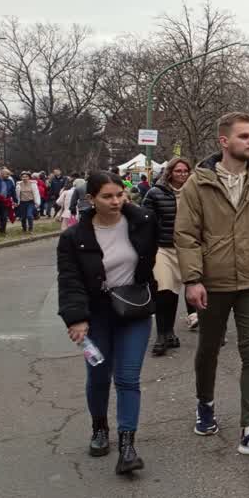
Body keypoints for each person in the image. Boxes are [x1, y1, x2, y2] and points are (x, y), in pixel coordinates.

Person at [174, 112, 249, 459]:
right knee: (209, 347)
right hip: (214, 281)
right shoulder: (198, 183)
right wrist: (193, 279)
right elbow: (186, 235)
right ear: (224, 142)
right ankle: (205, 404)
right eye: (244, 136)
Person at [56, 171, 158, 474]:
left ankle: (128, 446)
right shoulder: (74, 237)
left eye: (119, 195)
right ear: (91, 199)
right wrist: (76, 319)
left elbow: (158, 252)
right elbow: (70, 280)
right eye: (107, 196)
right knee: (99, 375)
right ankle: (100, 428)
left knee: (128, 378)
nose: (116, 201)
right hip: (95, 315)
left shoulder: (142, 222)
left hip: (134, 310)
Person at [142, 157, 191, 355]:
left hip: (187, 249)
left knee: (176, 293)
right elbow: (145, 220)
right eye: (178, 171)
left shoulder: (194, 193)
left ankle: (170, 332)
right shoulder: (155, 193)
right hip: (163, 248)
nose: (182, 174)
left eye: (185, 171)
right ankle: (162, 334)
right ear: (170, 172)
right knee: (164, 290)